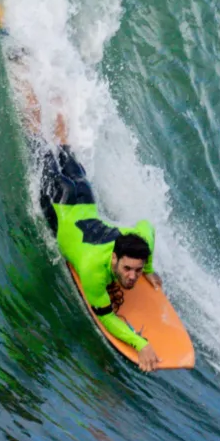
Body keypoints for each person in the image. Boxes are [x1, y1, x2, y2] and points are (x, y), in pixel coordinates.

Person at [37, 146, 163, 370]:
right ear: (114, 258)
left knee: (63, 150)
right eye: (127, 269)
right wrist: (140, 343)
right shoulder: (93, 270)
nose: (133, 276)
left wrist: (149, 269)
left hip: (84, 198)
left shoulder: (135, 241)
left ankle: (55, 113)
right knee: (42, 149)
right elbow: (106, 317)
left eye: (138, 269)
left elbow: (148, 228)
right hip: (59, 202)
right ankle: (35, 116)